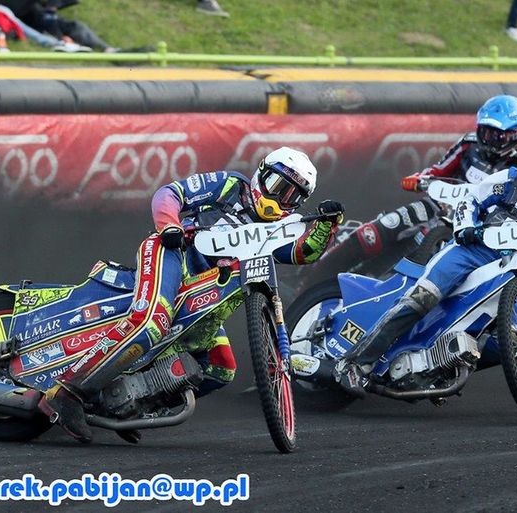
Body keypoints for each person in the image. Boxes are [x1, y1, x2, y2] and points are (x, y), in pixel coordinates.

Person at [38, 147, 345, 442]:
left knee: (222, 368)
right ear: (261, 174)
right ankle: (67, 392)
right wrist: (169, 226)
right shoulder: (230, 185)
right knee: (152, 322)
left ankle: (131, 407)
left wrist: (326, 226)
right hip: (172, 254)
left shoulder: (279, 227)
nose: (280, 199)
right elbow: (170, 193)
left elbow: (300, 253)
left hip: (207, 293)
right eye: (278, 186)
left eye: (292, 196)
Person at [336, 134, 517, 397]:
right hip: (471, 251)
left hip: (515, 272)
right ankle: (354, 364)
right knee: (421, 298)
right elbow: (470, 199)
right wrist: (466, 227)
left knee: (515, 340)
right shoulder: (511, 180)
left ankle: (442, 365)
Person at [307, 95, 517, 285]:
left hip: (470, 227)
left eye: (498, 135)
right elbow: (439, 170)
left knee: (424, 267)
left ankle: (378, 282)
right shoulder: (469, 144)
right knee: (379, 229)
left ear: (514, 135)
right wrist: (419, 179)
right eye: (486, 131)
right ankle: (313, 275)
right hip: (437, 206)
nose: (491, 140)